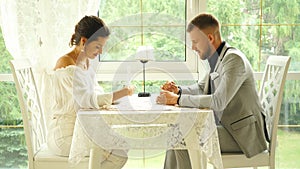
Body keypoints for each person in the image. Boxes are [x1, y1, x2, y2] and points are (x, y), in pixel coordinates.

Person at [156, 13, 268, 169]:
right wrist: (178, 90)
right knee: (176, 132)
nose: (193, 47)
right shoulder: (218, 58)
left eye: (195, 42)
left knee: (182, 137)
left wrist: (177, 100)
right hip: (227, 128)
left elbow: (218, 101)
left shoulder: (234, 60)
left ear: (210, 39)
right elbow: (202, 87)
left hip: (243, 136)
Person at [47, 15, 134, 168]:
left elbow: (96, 94)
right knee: (118, 153)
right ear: (84, 41)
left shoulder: (86, 62)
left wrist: (116, 98)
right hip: (65, 136)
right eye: (97, 46)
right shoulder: (66, 64)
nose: (100, 52)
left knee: (122, 146)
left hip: (81, 131)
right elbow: (87, 100)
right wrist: (122, 93)